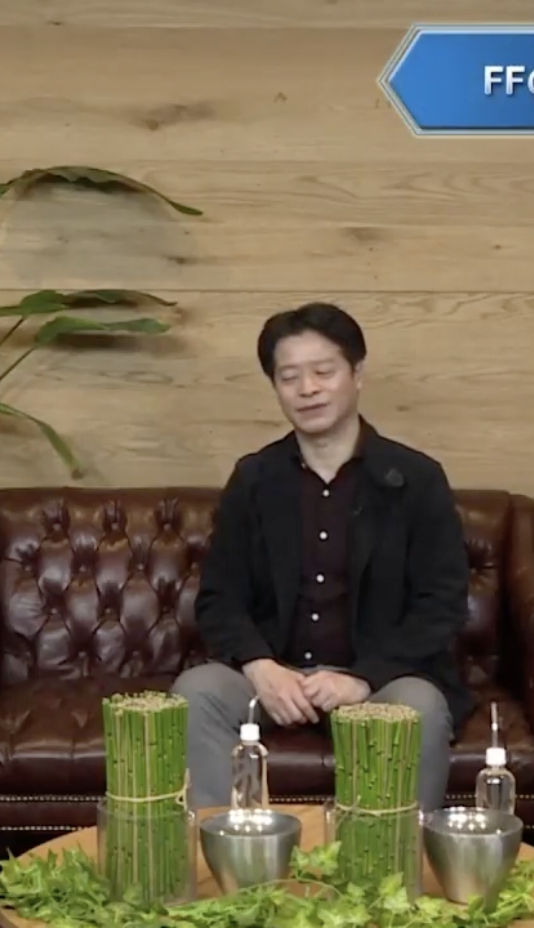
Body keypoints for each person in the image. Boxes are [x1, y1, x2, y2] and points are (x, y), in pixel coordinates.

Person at [172, 302, 473, 813]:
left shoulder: (416, 479)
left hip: (380, 681)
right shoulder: (255, 479)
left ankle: (388, 860)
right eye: (289, 377)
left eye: (323, 372)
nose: (307, 389)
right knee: (196, 692)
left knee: (417, 706)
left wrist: (362, 678)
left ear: (357, 374)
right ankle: (226, 855)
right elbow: (220, 598)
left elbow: (440, 605)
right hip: (277, 675)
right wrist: (261, 667)